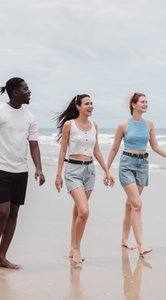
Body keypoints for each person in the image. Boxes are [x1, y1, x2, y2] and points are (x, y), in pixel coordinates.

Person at [0, 77, 45, 271]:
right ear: (15, 91)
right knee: (3, 211)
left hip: (20, 171)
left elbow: (34, 145)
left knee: (14, 213)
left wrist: (38, 168)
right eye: (26, 89)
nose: (29, 92)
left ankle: (2, 257)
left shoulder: (30, 117)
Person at [106, 92, 166, 255]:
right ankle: (141, 245)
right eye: (142, 102)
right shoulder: (123, 125)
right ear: (133, 105)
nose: (146, 104)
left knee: (131, 204)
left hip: (143, 165)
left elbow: (155, 146)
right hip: (127, 164)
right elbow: (114, 148)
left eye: (147, 102)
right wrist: (107, 170)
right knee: (137, 204)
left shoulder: (149, 124)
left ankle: (124, 240)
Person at [55, 94, 114, 264]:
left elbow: (96, 151)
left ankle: (72, 246)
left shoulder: (94, 125)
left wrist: (107, 171)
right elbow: (62, 150)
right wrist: (58, 174)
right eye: (87, 104)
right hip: (73, 171)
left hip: (89, 171)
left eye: (92, 103)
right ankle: (77, 248)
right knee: (84, 211)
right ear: (78, 107)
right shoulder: (69, 125)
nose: (91, 106)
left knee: (78, 212)